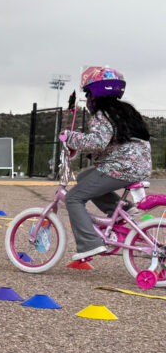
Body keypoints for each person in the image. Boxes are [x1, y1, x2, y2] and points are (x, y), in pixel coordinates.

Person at [60, 66, 151, 261]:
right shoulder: (125, 111)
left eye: (88, 94)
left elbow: (97, 142)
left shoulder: (102, 115)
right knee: (85, 178)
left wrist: (71, 138)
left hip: (120, 167)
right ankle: (122, 209)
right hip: (137, 167)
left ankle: (89, 243)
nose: (88, 99)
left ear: (96, 94)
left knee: (73, 198)